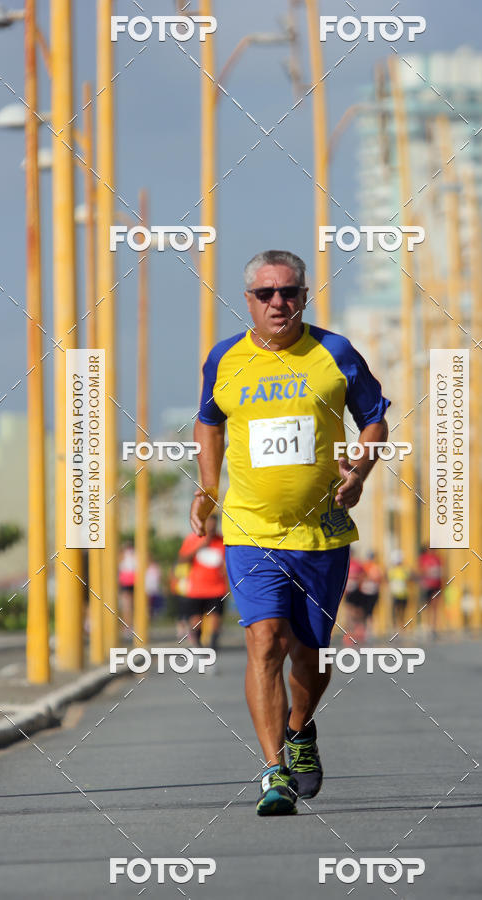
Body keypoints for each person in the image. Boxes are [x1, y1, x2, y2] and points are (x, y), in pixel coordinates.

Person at [190, 249, 390, 815]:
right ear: (248, 300)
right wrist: (208, 488)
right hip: (250, 529)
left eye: (289, 292)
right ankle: (273, 771)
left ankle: (300, 727)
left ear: (304, 296)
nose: (278, 302)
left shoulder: (335, 353)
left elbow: (374, 418)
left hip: (321, 532)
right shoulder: (224, 359)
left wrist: (359, 472)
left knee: (310, 655)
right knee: (265, 640)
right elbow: (208, 422)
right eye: (266, 294)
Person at [177, 514, 228, 651]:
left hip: (217, 589)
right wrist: (201, 546)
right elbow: (182, 559)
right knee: (195, 622)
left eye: (213, 525)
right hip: (197, 589)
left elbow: (227, 563)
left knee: (215, 620)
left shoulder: (222, 541)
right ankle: (198, 646)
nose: (211, 528)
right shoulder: (192, 539)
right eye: (208, 525)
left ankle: (213, 647)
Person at [343, 551, 383, 645]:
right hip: (352, 592)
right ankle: (351, 634)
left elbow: (365, 577)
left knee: (364, 613)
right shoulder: (355, 565)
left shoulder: (361, 565)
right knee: (351, 613)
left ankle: (363, 633)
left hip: (364, 593)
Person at [417, 545, 443, 633]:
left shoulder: (438, 559)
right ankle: (428, 624)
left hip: (437, 585)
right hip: (428, 585)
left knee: (435, 606)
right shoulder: (424, 558)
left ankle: (433, 626)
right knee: (427, 606)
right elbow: (421, 570)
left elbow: (440, 572)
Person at [387, 549, 411, 630]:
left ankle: (401, 626)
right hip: (395, 594)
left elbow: (408, 579)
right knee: (395, 612)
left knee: (402, 612)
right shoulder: (392, 570)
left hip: (403, 594)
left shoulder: (404, 569)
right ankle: (395, 626)